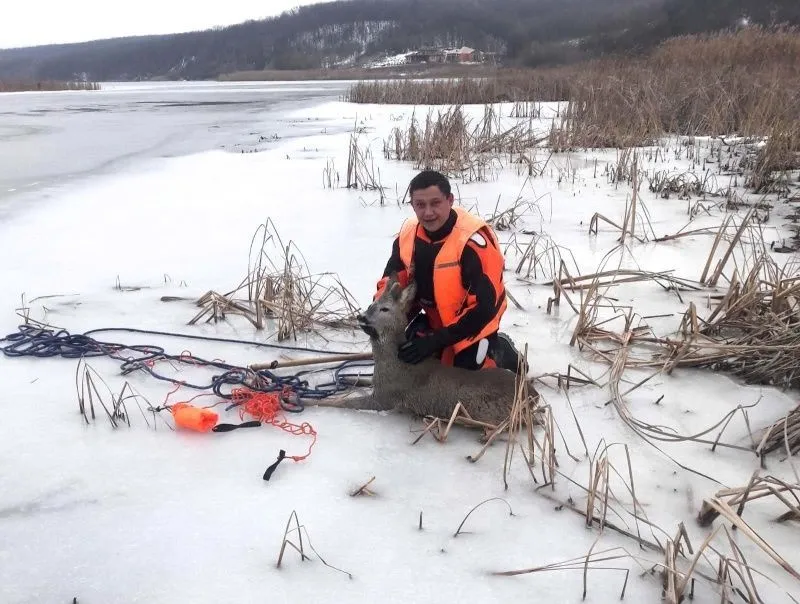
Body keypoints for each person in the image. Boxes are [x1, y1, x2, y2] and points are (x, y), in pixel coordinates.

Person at [374, 170, 523, 373]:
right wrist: (381, 313)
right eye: (420, 205)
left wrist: (435, 341)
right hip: (435, 319)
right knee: (405, 363)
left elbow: (484, 309)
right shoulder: (408, 234)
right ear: (412, 205)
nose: (428, 212)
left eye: (435, 203)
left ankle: (500, 352)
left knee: (464, 377)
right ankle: (429, 335)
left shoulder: (473, 244)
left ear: (450, 200)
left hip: (474, 324)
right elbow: (391, 283)